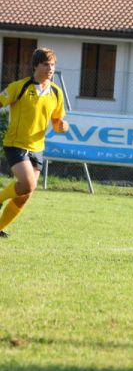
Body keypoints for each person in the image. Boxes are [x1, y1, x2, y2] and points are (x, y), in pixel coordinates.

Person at [0, 47, 69, 237]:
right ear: (35, 66)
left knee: (25, 195)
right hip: (16, 144)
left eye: (53, 64)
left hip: (38, 147)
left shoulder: (56, 92)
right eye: (46, 64)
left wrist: (63, 126)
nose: (50, 68)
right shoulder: (19, 87)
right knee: (29, 184)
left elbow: (57, 123)